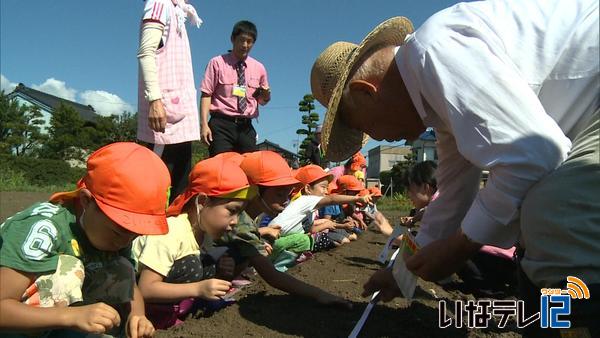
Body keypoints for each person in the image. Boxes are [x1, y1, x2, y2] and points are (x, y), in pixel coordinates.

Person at [311, 0, 599, 335]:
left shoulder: (436, 52)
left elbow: (537, 155)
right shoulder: (437, 98)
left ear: (366, 92)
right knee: (540, 227)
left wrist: (461, 246)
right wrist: (404, 269)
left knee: (556, 210)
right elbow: (452, 196)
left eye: (366, 129)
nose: (380, 137)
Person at [0, 142, 171, 338]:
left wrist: (137, 316)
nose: (126, 241)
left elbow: (129, 283)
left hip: (64, 319)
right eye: (118, 232)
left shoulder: (117, 234)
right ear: (86, 200)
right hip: (14, 323)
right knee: (68, 272)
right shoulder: (43, 229)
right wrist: (70, 316)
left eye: (135, 235)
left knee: (120, 265)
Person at [215, 151, 351, 308]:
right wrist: (319, 294)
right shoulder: (241, 222)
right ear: (254, 190)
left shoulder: (246, 217)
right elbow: (272, 276)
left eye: (287, 193)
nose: (285, 200)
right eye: (279, 193)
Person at [133, 155, 256, 329]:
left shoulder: (205, 233)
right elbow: (145, 288)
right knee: (192, 264)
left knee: (208, 261)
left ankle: (183, 310)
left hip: (174, 302)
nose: (236, 221)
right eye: (232, 211)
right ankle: (163, 319)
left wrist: (221, 271)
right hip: (138, 309)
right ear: (203, 201)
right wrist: (198, 289)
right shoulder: (170, 233)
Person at [137, 0, 203, 203]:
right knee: (154, 189)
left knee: (179, 191)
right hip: (165, 116)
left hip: (179, 114)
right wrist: (155, 100)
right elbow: (146, 53)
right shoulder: (159, 3)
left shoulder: (177, 10)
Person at [200, 20, 271, 156]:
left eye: (249, 41)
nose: (245, 45)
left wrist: (266, 95)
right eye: (241, 40)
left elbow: (262, 101)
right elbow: (206, 94)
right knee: (221, 168)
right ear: (233, 39)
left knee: (248, 169)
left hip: (246, 127)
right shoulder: (217, 63)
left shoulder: (259, 68)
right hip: (221, 124)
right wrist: (204, 124)